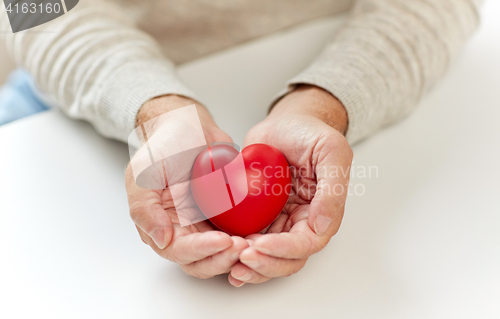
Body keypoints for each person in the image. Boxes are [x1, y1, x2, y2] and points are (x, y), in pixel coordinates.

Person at [0, 0, 482, 287]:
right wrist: (159, 113)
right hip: (87, 84)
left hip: (354, 68)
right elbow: (34, 10)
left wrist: (321, 105)